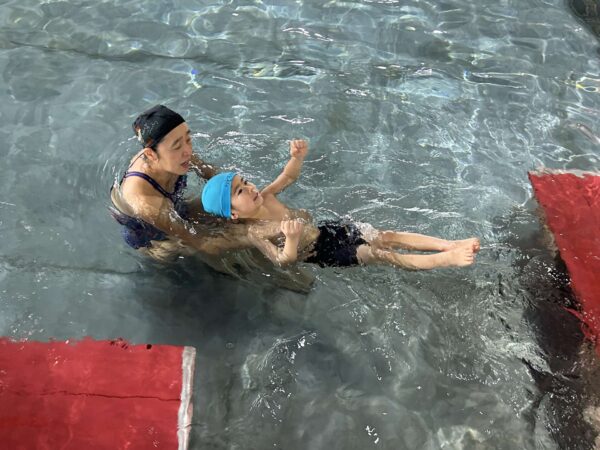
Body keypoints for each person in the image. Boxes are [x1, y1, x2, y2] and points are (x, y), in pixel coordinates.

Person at [201, 139, 480, 270]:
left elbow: (288, 176)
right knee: (378, 253)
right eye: (239, 191)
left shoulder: (268, 195)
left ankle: (450, 244)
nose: (250, 188)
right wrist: (291, 240)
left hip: (326, 230)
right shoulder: (255, 232)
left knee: (386, 236)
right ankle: (446, 259)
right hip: (320, 252)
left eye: (245, 181)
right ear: (233, 214)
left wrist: (297, 157)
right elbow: (282, 260)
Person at [110, 104, 281, 261]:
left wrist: (244, 202)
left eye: (188, 139)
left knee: (235, 209)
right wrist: (254, 234)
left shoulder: (173, 156)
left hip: (176, 209)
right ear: (151, 155)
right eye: (177, 146)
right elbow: (201, 243)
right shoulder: (144, 201)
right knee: (209, 249)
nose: (188, 151)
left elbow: (213, 177)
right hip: (156, 238)